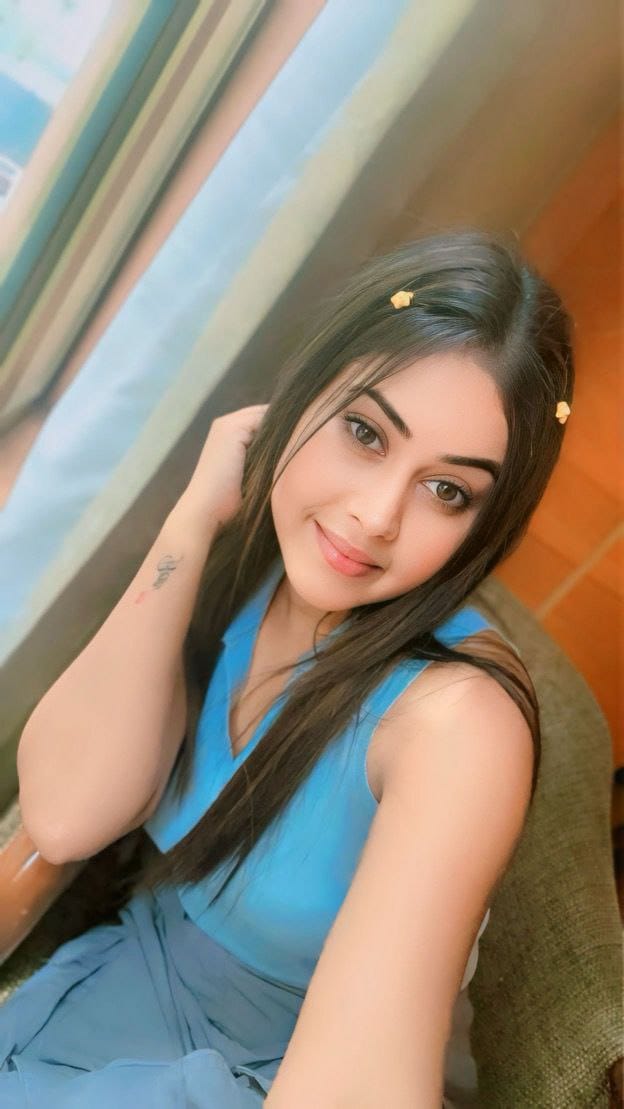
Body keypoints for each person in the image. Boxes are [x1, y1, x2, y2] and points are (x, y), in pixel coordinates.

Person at [1, 228, 574, 1107]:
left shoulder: (457, 724)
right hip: (111, 995)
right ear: (302, 396)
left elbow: (356, 1085)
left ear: (482, 527)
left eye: (447, 490)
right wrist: (193, 519)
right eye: (364, 432)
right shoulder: (248, 570)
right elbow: (66, 814)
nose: (376, 515)